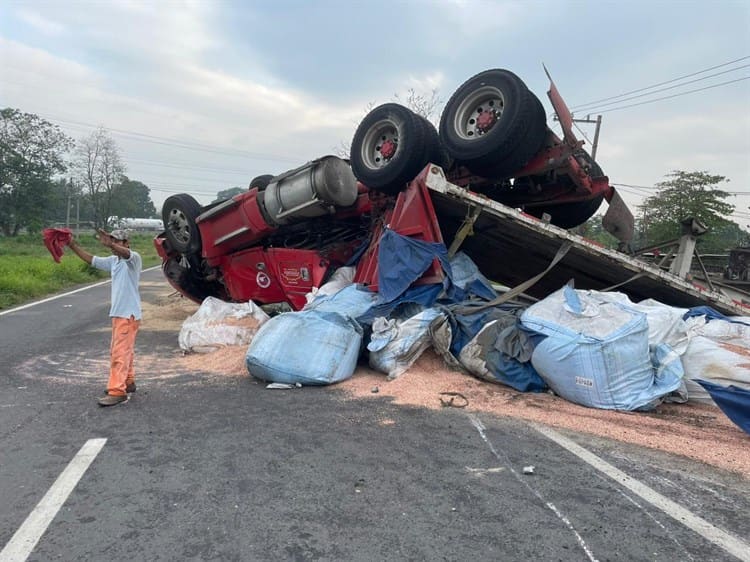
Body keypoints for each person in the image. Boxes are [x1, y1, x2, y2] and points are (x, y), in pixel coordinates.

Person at [67, 228, 142, 406]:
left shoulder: (133, 259)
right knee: (126, 350)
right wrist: (72, 245)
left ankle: (117, 391)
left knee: (119, 353)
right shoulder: (113, 262)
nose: (114, 244)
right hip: (120, 314)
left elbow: (126, 254)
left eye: (118, 241)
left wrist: (113, 245)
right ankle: (128, 382)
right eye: (112, 240)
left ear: (126, 243)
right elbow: (91, 260)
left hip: (128, 314)